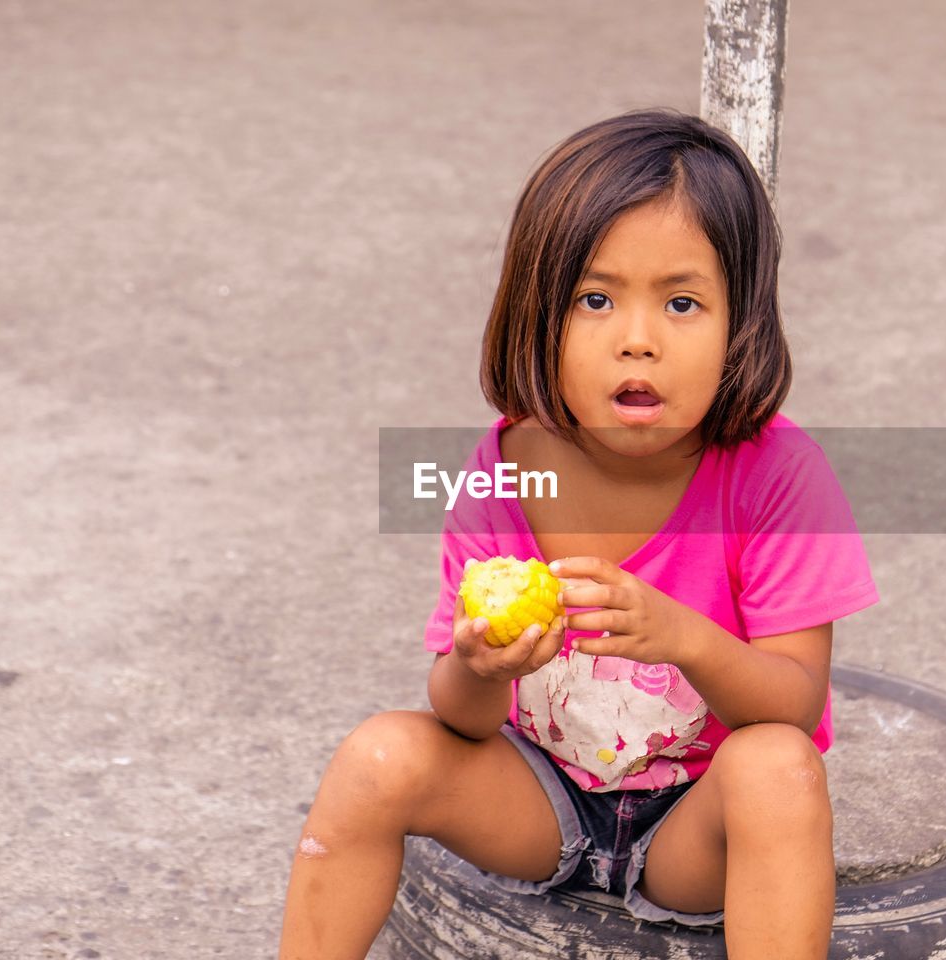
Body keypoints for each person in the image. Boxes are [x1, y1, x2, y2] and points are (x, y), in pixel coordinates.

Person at [278, 107, 879, 960]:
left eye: (682, 302)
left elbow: (795, 707)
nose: (638, 342)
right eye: (595, 300)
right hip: (537, 803)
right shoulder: (504, 466)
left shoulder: (778, 475)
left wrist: (686, 640)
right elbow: (460, 717)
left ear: (739, 320)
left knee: (777, 770)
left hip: (692, 830)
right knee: (379, 756)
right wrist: (479, 664)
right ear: (538, 314)